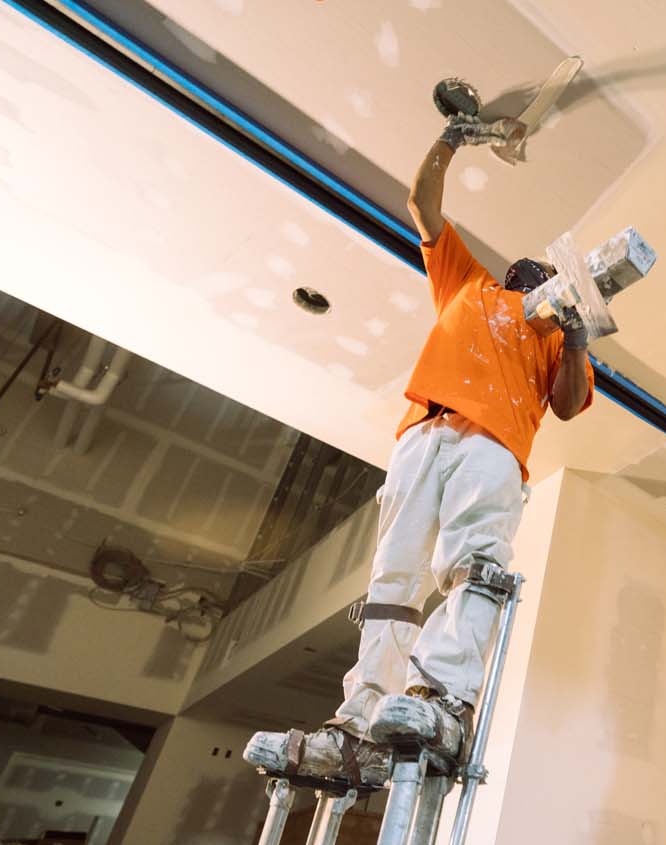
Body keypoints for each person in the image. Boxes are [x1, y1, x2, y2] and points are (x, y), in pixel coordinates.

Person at [244, 98, 594, 786]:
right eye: (527, 269)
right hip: (420, 432)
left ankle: (443, 697)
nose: (533, 273)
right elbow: (421, 204)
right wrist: (450, 139)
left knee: (470, 563)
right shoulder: (467, 282)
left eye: (545, 279)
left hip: (493, 443)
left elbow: (568, 402)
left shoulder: (553, 331)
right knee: (392, 577)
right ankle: (360, 717)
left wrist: (577, 333)